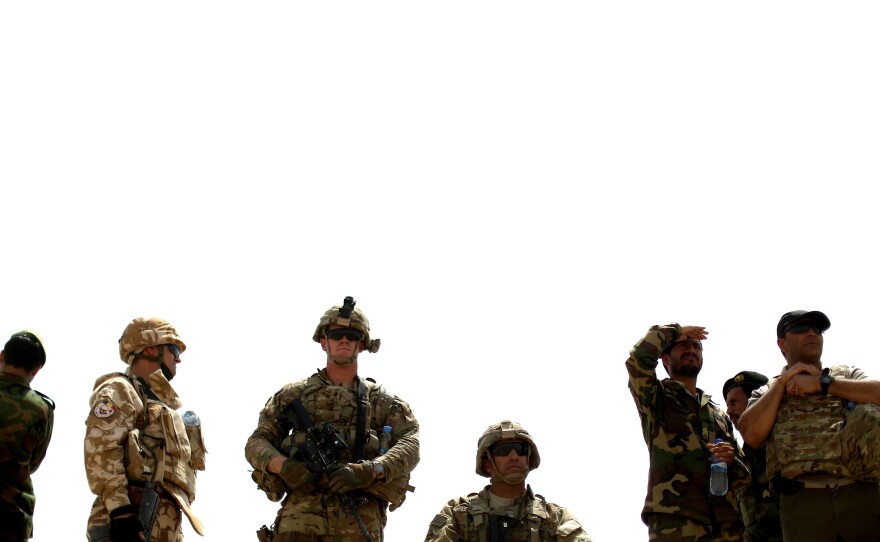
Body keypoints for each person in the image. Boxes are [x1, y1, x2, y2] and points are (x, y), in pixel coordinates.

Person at [246, 296, 420, 542]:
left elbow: (410, 444)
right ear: (323, 342)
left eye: (352, 335)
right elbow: (257, 441)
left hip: (359, 518)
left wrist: (371, 470)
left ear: (362, 345)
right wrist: (283, 466)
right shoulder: (293, 395)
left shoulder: (382, 401)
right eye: (337, 334)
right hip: (300, 520)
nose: (344, 340)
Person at [738, 310, 880, 541]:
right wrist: (783, 382)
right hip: (804, 503)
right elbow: (752, 434)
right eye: (801, 328)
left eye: (817, 329)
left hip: (859, 493)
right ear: (782, 343)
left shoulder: (845, 375)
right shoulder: (767, 392)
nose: (812, 333)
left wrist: (822, 383)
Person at [84, 317, 206, 542]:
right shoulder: (121, 390)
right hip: (131, 519)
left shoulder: (165, 406)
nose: (178, 359)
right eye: (173, 349)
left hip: (165, 525)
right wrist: (121, 512)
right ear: (150, 348)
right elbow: (101, 451)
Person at [626, 323, 748, 542]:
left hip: (727, 527)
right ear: (665, 359)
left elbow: (745, 476)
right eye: (682, 345)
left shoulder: (718, 414)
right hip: (676, 521)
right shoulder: (656, 398)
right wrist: (676, 330)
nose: (691, 350)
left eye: (696, 346)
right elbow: (639, 358)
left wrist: (732, 461)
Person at [423, 419, 593, 542]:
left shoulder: (554, 517)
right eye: (504, 451)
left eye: (520, 449)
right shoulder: (459, 513)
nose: (514, 456)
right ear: (488, 463)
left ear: (528, 458)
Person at [0, 331, 52, 542]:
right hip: (11, 518)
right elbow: (34, 462)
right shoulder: (41, 409)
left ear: (1, 356)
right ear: (36, 370)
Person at [723, 371, 781, 542]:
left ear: (756, 401)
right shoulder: (739, 461)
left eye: (734, 403)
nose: (729, 412)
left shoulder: (783, 447)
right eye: (727, 404)